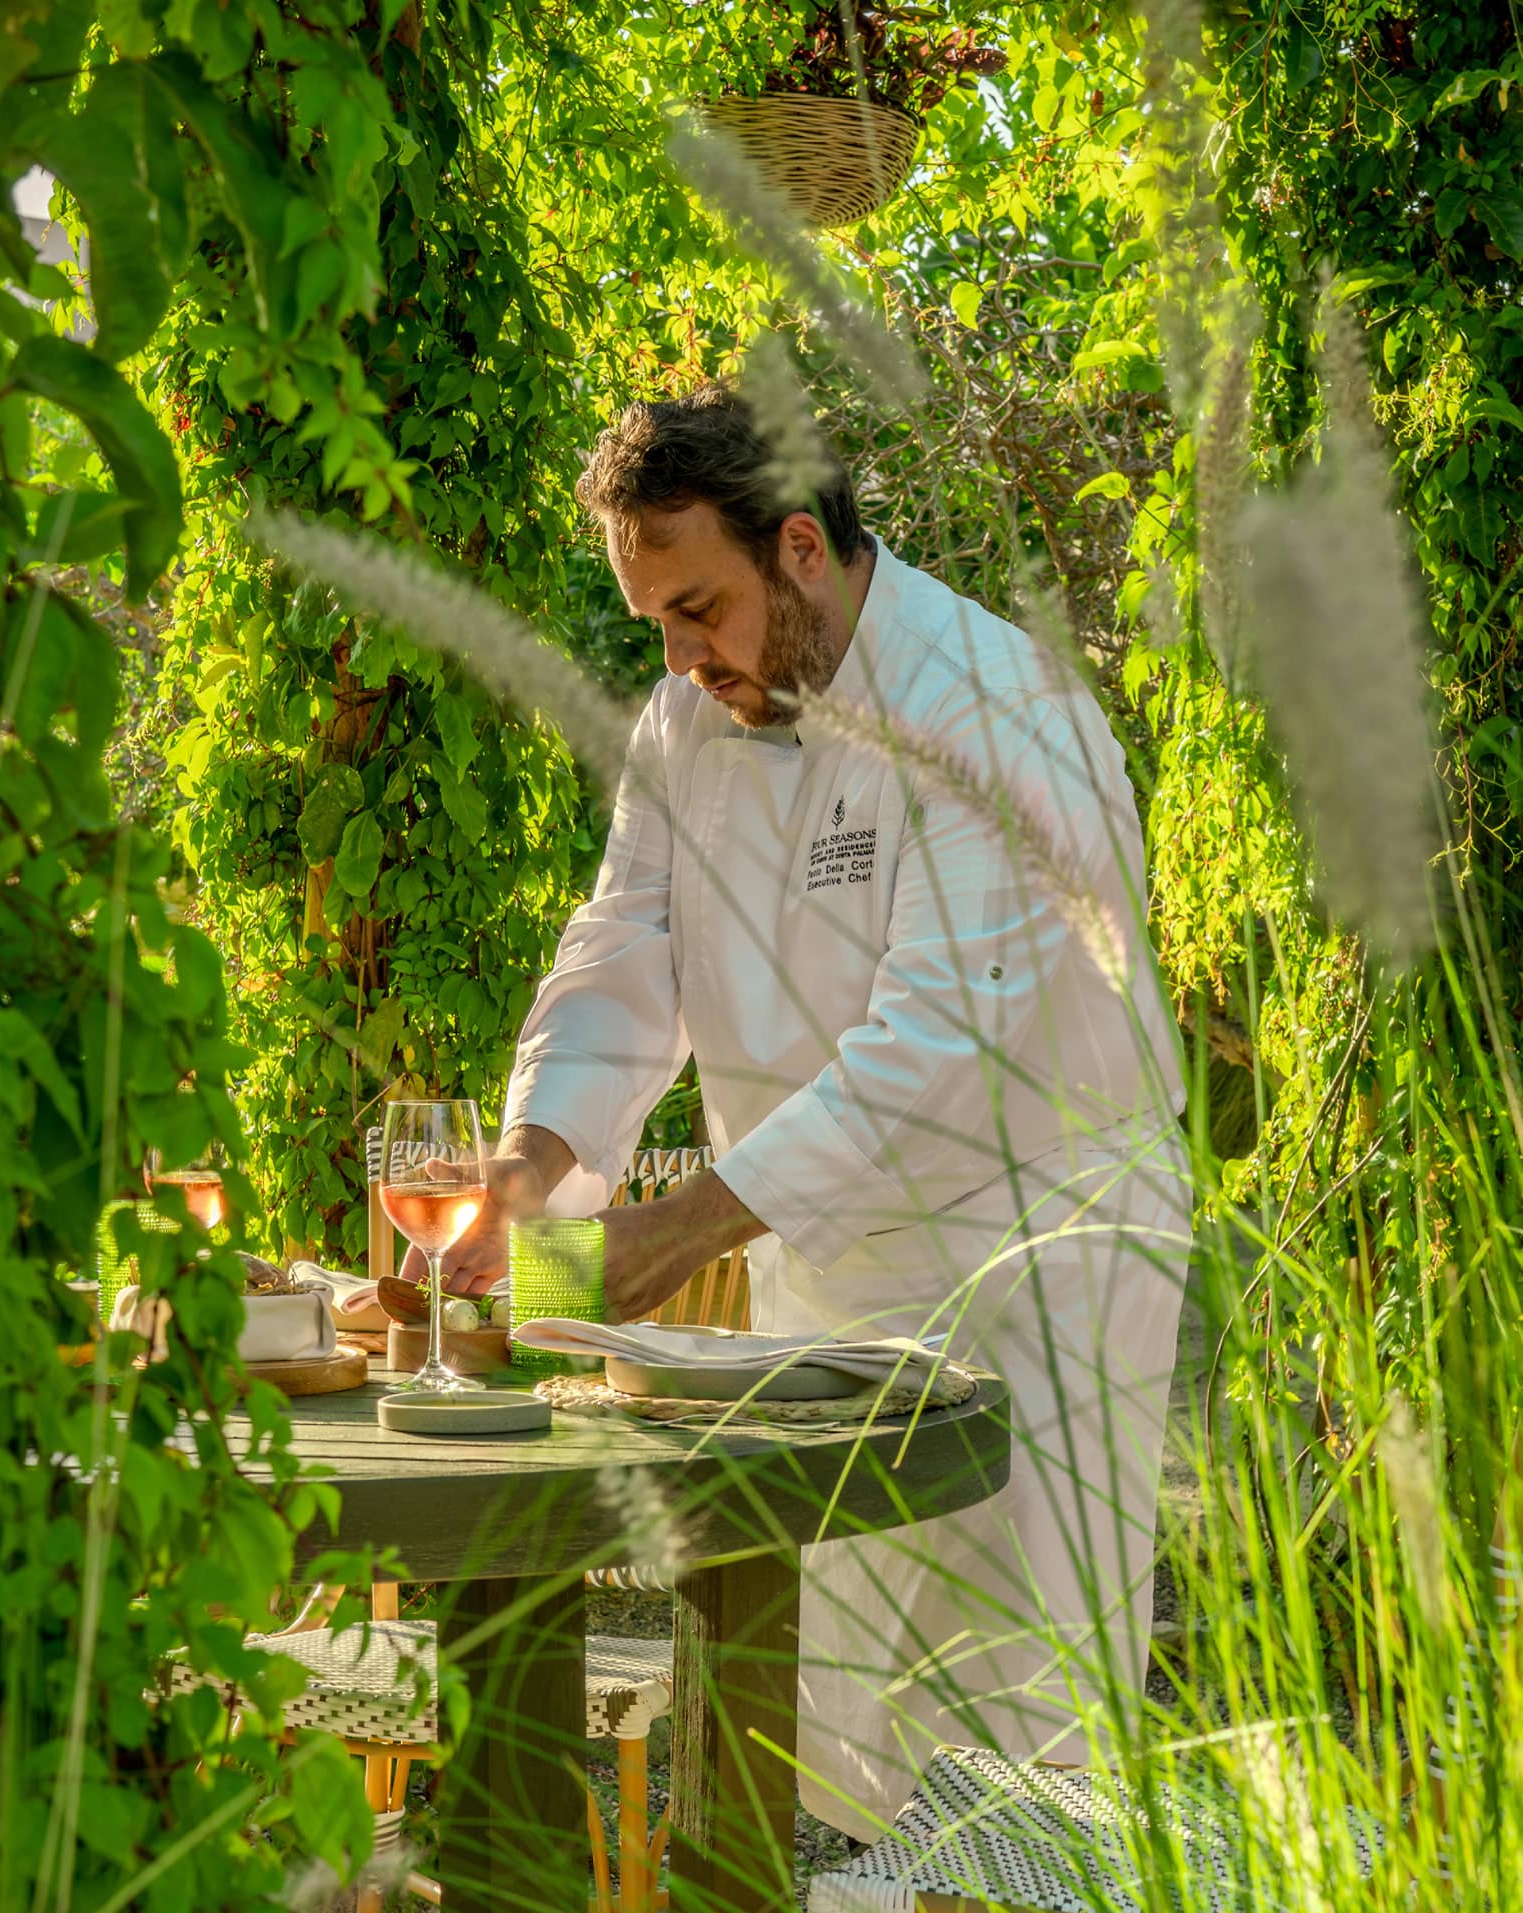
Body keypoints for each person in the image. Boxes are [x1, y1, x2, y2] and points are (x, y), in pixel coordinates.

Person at [416, 382, 1192, 1836]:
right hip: (825, 1271)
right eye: (654, 620)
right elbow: (622, 950)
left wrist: (663, 1235)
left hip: (1028, 1269)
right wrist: (537, 1161)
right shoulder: (683, 720)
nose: (678, 654)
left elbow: (936, 1043)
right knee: (828, 1721)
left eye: (697, 607)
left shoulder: (991, 706)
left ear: (799, 549)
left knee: (1012, 1737)